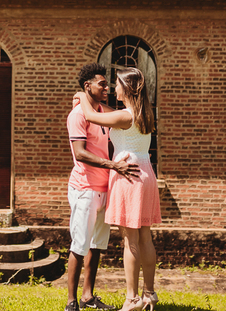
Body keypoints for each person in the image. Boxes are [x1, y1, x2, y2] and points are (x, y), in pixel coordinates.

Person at [74, 67, 161, 311]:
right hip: (145, 172)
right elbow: (110, 113)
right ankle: (149, 294)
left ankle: (132, 299)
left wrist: (82, 96)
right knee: (145, 235)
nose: (114, 88)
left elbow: (91, 116)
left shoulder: (125, 117)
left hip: (128, 174)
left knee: (129, 239)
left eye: (117, 84)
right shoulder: (141, 113)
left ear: (128, 88)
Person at [65, 63, 133, 311]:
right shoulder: (77, 116)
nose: (107, 88)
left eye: (107, 84)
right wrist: (113, 165)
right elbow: (80, 153)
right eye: (101, 84)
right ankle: (72, 302)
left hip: (105, 186)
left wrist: (111, 170)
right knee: (79, 245)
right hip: (84, 187)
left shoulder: (103, 112)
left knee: (97, 245)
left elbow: (127, 115)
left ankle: (88, 296)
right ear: (87, 86)